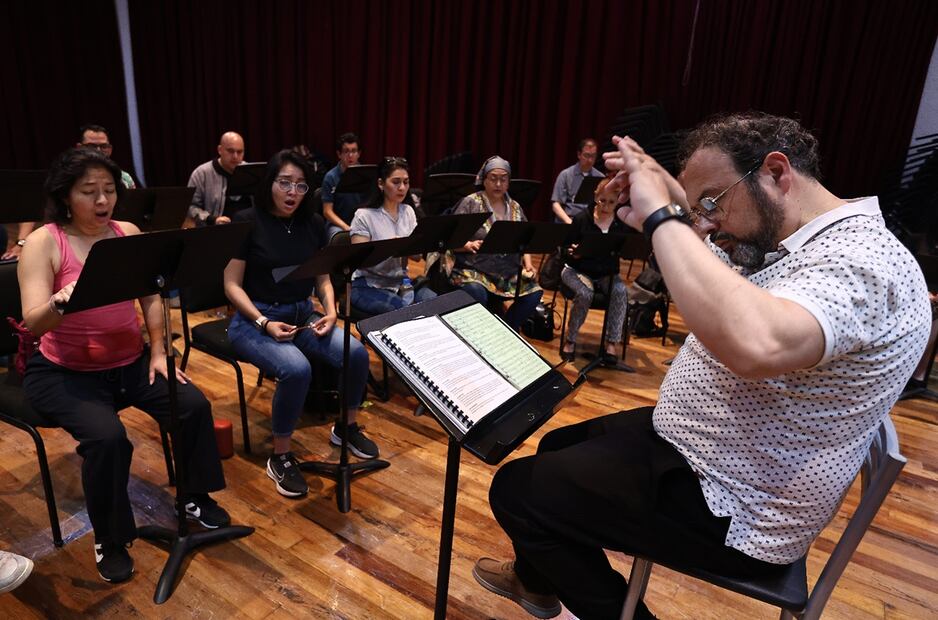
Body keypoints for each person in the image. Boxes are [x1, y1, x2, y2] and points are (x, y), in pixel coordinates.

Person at [471, 113, 930, 620]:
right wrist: (678, 210)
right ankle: (538, 580)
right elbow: (720, 273)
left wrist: (663, 220)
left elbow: (757, 344)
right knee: (556, 446)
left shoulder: (864, 261)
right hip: (714, 451)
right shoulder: (793, 239)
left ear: (776, 172)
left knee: (517, 491)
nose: (707, 222)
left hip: (740, 508)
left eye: (713, 201)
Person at [18, 148, 229, 584]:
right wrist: (59, 303)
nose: (102, 200)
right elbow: (33, 322)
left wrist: (158, 352)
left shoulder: (126, 232)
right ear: (65, 195)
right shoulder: (44, 241)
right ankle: (110, 538)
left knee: (192, 404)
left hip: (130, 362)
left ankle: (193, 496)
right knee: (109, 438)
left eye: (109, 190)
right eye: (89, 191)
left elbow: (150, 297)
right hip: (64, 373)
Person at [224, 149, 377, 499]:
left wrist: (331, 311)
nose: (292, 192)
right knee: (297, 370)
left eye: (300, 185)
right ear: (270, 184)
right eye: (284, 183)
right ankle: (280, 456)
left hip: (301, 315)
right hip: (253, 319)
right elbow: (231, 285)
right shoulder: (246, 221)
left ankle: (346, 427)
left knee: (355, 353)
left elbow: (322, 277)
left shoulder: (312, 223)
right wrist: (263, 322)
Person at [449, 156, 542, 332]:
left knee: (534, 293)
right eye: (493, 179)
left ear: (508, 182)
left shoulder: (515, 207)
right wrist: (467, 244)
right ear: (484, 180)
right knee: (476, 291)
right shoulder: (471, 202)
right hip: (474, 270)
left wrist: (528, 264)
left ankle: (505, 330)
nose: (498, 184)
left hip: (506, 273)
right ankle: (481, 333)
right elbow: (451, 238)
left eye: (503, 179)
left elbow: (525, 238)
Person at [349, 157, 437, 314]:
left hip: (401, 283)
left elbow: (417, 257)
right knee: (403, 312)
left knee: (435, 303)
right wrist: (389, 248)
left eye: (406, 182)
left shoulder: (408, 211)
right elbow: (359, 261)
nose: (402, 187)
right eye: (396, 182)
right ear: (381, 183)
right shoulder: (364, 215)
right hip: (367, 285)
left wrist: (409, 246)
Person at [559, 176, 629, 362]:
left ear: (618, 201)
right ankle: (570, 340)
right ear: (596, 196)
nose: (606, 206)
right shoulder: (582, 219)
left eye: (611, 202)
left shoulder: (620, 223)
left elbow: (626, 249)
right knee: (585, 293)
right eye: (602, 200)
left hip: (606, 273)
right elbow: (564, 249)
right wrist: (573, 253)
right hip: (577, 270)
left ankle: (611, 344)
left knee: (620, 291)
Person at [186, 131, 249, 226]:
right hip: (216, 229)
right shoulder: (202, 173)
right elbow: (190, 207)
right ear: (220, 150)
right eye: (230, 151)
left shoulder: (250, 170)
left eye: (239, 152)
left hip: (249, 227)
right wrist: (211, 219)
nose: (235, 156)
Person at [321, 132, 367, 239]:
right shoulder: (331, 177)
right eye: (346, 151)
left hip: (360, 221)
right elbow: (327, 211)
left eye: (354, 151)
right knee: (340, 238)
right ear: (339, 154)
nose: (350, 156)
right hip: (338, 224)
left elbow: (369, 204)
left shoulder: (366, 174)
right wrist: (346, 227)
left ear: (359, 153)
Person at [550, 138, 604, 224]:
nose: (590, 160)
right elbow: (556, 205)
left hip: (590, 221)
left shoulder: (600, 177)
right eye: (586, 155)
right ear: (579, 155)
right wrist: (570, 222)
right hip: (569, 220)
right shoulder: (565, 175)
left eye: (593, 156)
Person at [77, 124, 137, 189]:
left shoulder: (124, 178)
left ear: (110, 150)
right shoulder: (70, 175)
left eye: (104, 146)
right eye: (91, 146)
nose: (98, 151)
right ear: (79, 148)